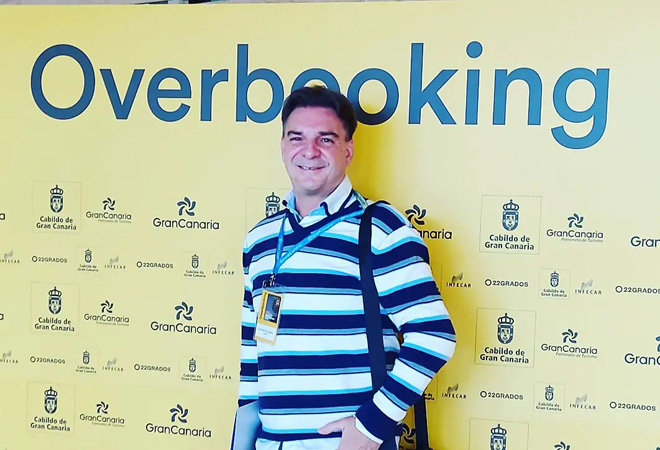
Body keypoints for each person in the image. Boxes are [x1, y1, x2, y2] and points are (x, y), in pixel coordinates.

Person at [238, 85, 455, 450]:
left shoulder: (380, 229)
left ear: (348, 150)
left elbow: (434, 334)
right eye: (297, 138)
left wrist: (371, 427)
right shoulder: (260, 239)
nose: (309, 151)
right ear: (283, 147)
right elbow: (251, 354)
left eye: (325, 139)